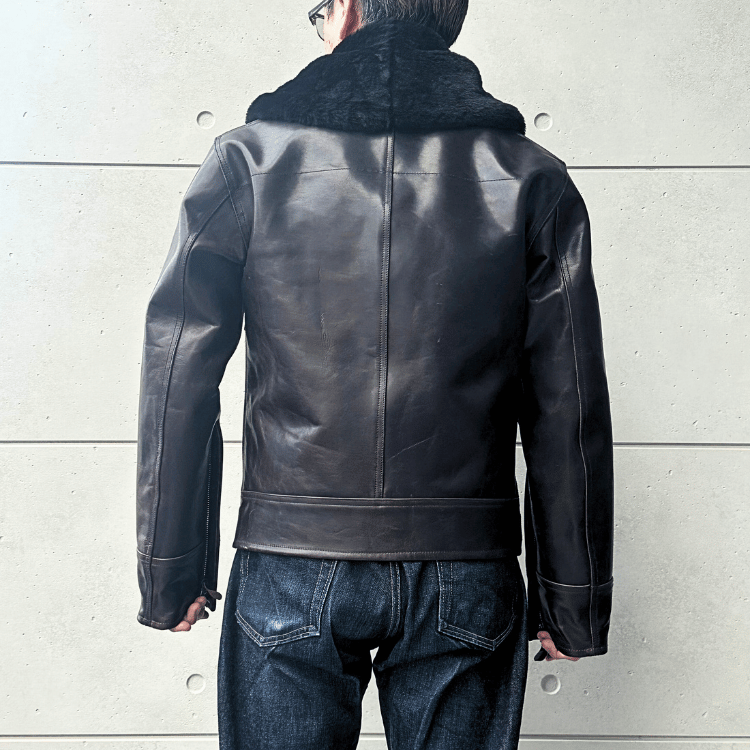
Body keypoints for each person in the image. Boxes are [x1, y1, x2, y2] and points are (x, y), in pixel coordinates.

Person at [135, 0, 615, 747]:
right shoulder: (529, 177)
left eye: (322, 9)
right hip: (465, 566)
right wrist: (573, 599)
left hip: (292, 558)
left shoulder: (247, 163)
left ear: (352, 11)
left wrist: (171, 570)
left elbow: (178, 376)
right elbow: (568, 404)